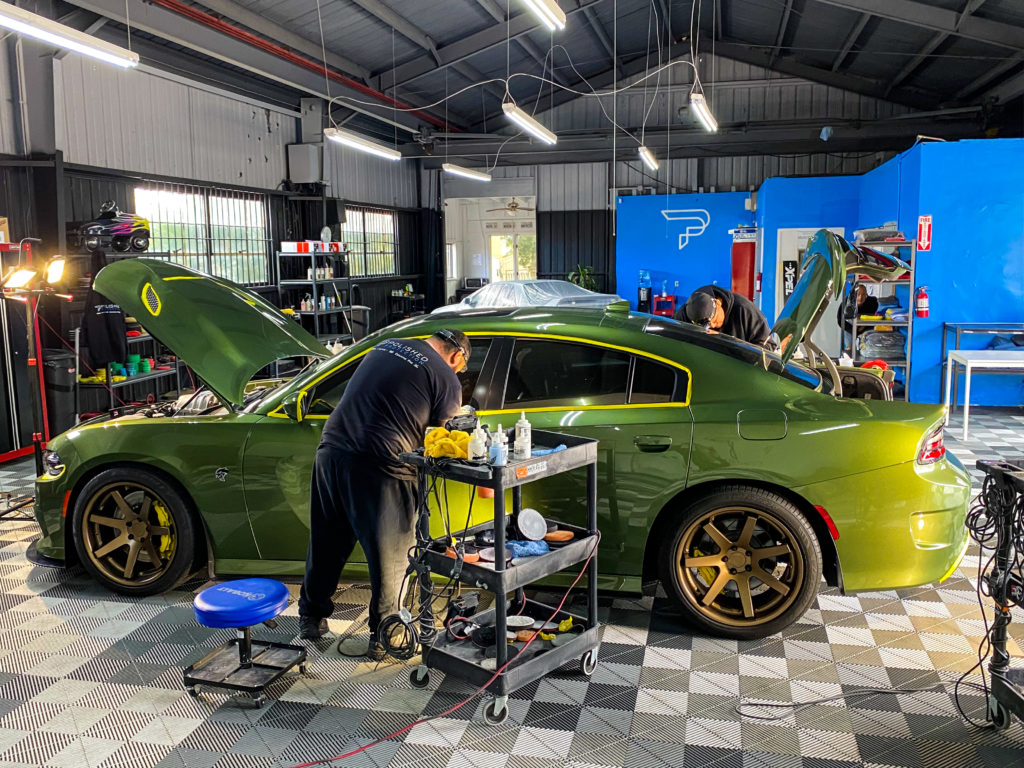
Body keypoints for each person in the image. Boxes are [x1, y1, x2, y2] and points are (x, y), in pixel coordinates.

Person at [298, 329, 469, 658]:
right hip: (383, 465)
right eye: (460, 368)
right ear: (457, 356)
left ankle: (311, 616)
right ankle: (385, 635)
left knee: (327, 540)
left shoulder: (387, 345)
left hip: (332, 450)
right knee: (391, 555)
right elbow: (444, 433)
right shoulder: (446, 376)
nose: (457, 373)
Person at [676, 285, 771, 345]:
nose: (712, 326)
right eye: (707, 325)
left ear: (718, 303)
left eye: (715, 319)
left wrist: (724, 339)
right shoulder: (685, 316)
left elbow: (768, 349)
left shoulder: (745, 310)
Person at [838, 283, 878, 352]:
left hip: (865, 327)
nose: (860, 297)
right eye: (858, 294)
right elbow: (840, 321)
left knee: (866, 346)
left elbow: (874, 318)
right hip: (851, 328)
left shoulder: (872, 303)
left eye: (863, 295)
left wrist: (864, 326)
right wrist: (854, 330)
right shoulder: (846, 303)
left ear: (866, 295)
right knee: (850, 347)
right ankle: (849, 349)